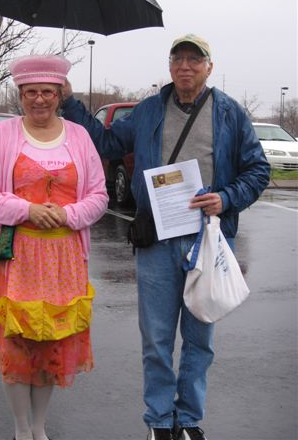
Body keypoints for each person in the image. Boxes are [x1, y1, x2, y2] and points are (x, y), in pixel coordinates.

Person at [60, 34, 270, 440]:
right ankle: (159, 420)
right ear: (169, 66)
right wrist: (69, 102)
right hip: (156, 240)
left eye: (195, 59)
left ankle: (188, 418)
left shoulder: (229, 113)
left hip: (206, 240)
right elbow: (104, 141)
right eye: (179, 59)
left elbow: (257, 170)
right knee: (156, 339)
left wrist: (226, 198)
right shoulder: (149, 109)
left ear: (209, 66)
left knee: (199, 338)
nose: (186, 66)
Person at [0, 54, 109, 440]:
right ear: (20, 94)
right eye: (31, 92)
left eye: (47, 92)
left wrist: (68, 216)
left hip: (64, 260)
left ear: (59, 93)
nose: (39, 100)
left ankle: (39, 426)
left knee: (53, 340)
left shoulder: (80, 137)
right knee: (18, 342)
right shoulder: (5, 135)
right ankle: (20, 428)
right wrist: (27, 208)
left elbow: (99, 196)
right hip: (16, 257)